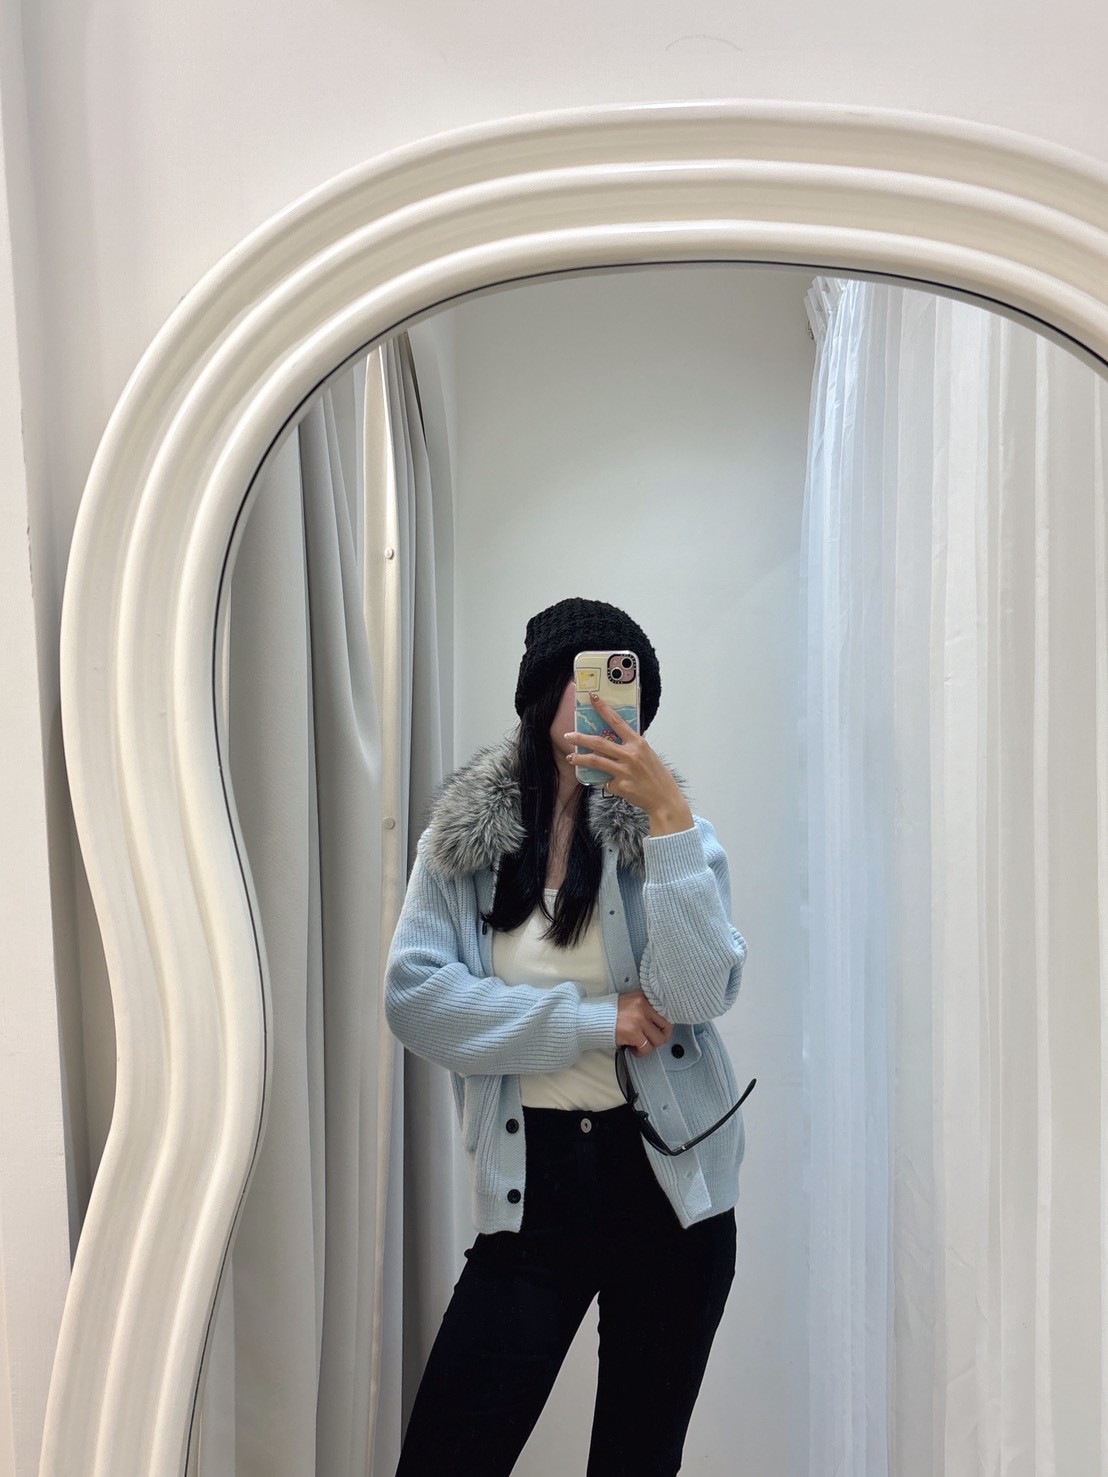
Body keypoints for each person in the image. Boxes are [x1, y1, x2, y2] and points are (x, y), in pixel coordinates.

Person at [384, 597, 749, 1477]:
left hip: (668, 1189)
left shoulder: (677, 839)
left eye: (625, 681)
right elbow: (416, 1000)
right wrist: (595, 1021)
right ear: (545, 688)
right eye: (589, 673)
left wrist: (668, 823)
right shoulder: (461, 847)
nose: (605, 696)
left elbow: (699, 993)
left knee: (636, 1460)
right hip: (533, 1187)